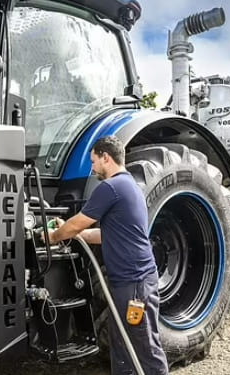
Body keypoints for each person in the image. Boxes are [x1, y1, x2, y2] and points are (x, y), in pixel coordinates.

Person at [46, 136, 169, 375]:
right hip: (131, 283)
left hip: (134, 285)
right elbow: (102, 234)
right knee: (122, 343)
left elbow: (78, 224)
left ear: (105, 157)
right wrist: (70, 232)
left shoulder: (111, 187)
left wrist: (53, 236)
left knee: (144, 345)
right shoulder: (129, 186)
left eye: (93, 161)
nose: (92, 168)